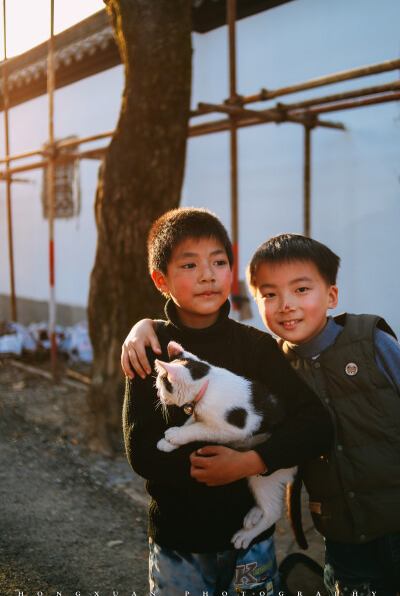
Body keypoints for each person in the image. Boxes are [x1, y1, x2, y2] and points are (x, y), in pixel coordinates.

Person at [123, 232, 400, 596]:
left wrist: (248, 462)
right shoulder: (270, 357)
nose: (286, 305)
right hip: (335, 532)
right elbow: (140, 448)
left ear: (332, 295)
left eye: (218, 262)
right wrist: (145, 325)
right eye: (269, 294)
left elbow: (312, 426)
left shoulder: (276, 351)